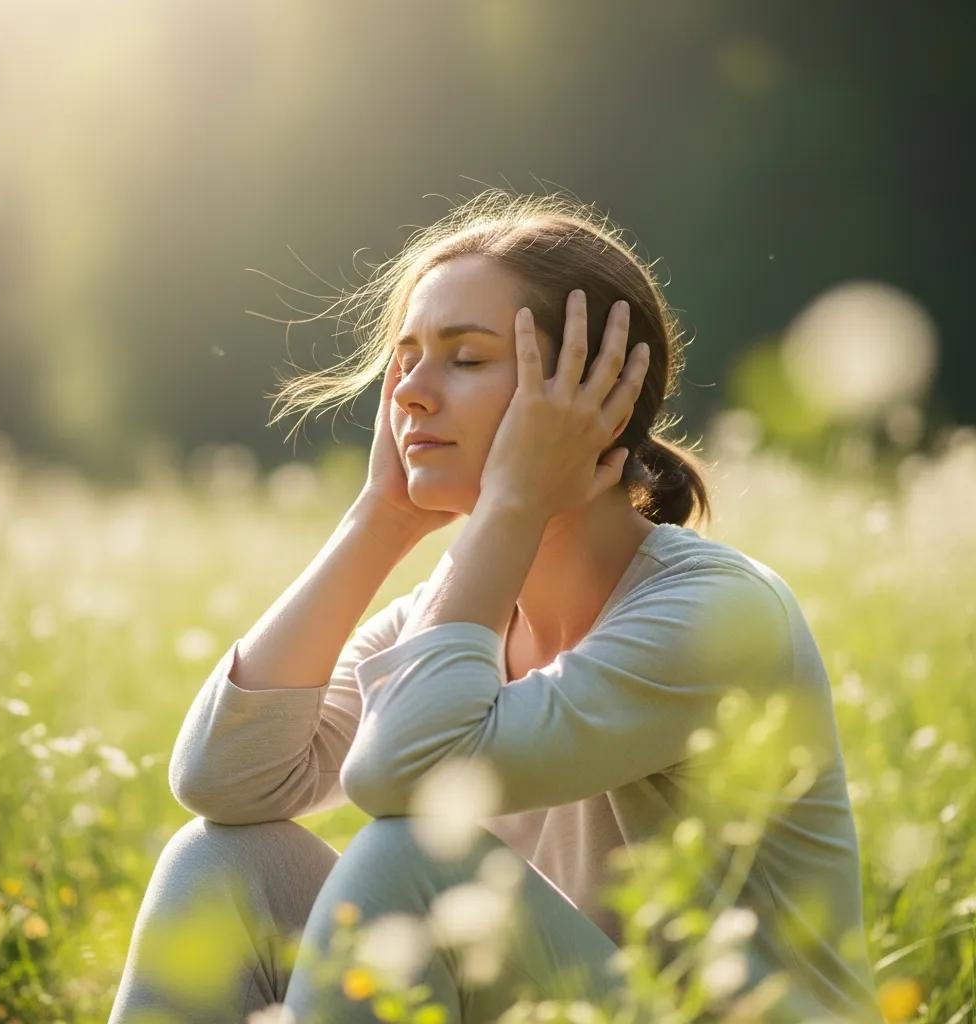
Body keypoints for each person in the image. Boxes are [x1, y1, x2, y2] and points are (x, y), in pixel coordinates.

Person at [108, 190, 883, 1024]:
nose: (410, 394)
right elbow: (223, 780)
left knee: (411, 857)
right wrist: (381, 518)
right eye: (406, 360)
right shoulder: (454, 622)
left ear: (593, 393)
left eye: (466, 359)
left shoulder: (716, 612)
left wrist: (514, 502)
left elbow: (400, 776)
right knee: (221, 862)